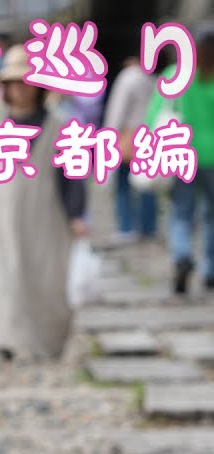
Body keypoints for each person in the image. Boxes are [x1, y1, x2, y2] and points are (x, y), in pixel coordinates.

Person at [0, 44, 87, 362]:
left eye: (26, 83)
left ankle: (46, 342)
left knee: (45, 274)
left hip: (44, 209)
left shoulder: (58, 126)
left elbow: (72, 173)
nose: (20, 90)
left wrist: (76, 214)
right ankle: (2, 338)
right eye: (14, 84)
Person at [147, 26, 214, 294]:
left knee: (181, 212)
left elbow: (154, 116)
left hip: (181, 152)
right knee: (211, 215)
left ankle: (182, 255)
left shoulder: (173, 76)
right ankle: (210, 269)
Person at [103, 56, 158, 245]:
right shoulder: (153, 80)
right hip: (149, 134)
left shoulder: (127, 78)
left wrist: (110, 133)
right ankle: (149, 226)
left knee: (123, 185)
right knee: (147, 183)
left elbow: (117, 110)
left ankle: (126, 227)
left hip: (128, 135)